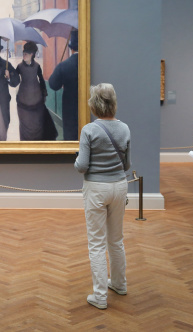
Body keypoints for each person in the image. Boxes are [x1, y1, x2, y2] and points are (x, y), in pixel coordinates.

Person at [75, 83, 130, 310]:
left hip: (97, 189)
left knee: (96, 244)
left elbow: (82, 166)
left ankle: (99, 296)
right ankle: (119, 283)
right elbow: (127, 164)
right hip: (119, 186)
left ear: (94, 104)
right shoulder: (125, 128)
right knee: (116, 239)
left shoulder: (89, 130)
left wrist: (76, 160)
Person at [13, 41, 57, 140]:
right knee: (24, 126)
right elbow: (14, 80)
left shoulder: (37, 66)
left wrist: (44, 94)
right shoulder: (19, 66)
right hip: (23, 100)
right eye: (23, 53)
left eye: (26, 54)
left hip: (37, 101)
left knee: (37, 126)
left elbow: (41, 80)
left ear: (32, 54)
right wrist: (8, 76)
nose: (24, 55)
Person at [49, 29, 79, 140]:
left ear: (71, 49)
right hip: (88, 109)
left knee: (71, 139)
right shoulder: (90, 64)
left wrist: (58, 69)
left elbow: (53, 84)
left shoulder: (64, 66)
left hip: (70, 111)